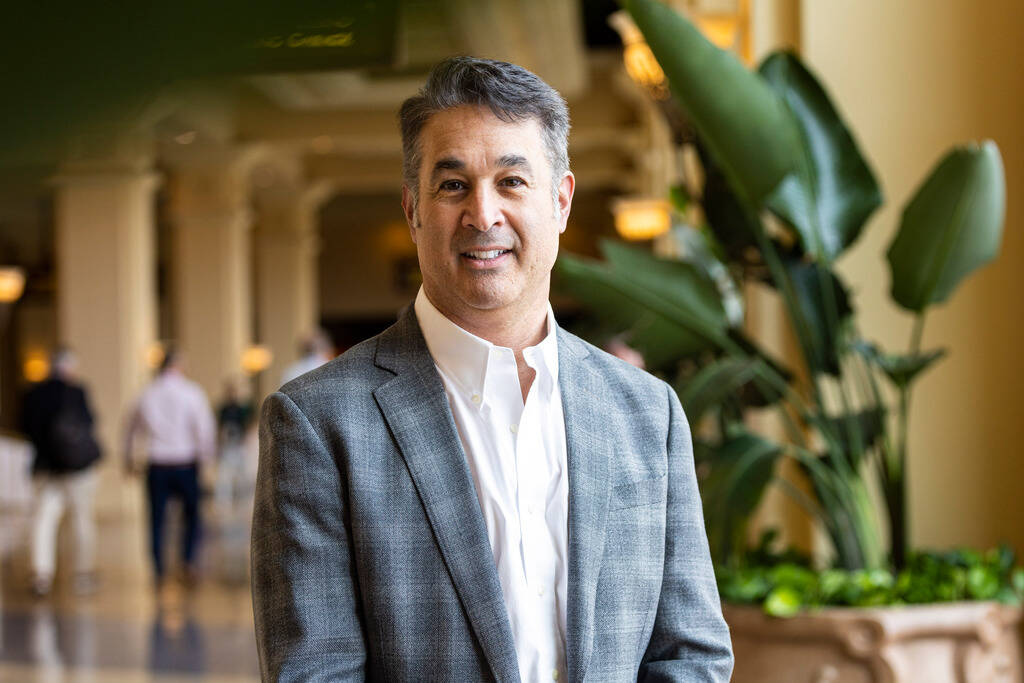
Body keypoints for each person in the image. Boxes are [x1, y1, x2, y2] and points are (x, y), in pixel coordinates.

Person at [251, 57, 733, 681]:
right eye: (453, 185)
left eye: (512, 181)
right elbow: (313, 673)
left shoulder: (647, 412)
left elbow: (690, 654)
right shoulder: (319, 423)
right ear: (413, 209)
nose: (483, 215)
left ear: (560, 202)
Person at [124, 348, 216, 585]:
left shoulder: (146, 393)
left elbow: (130, 429)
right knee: (192, 515)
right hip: (186, 462)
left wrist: (128, 459)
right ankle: (187, 560)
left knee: (156, 517)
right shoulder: (192, 392)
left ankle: (159, 568)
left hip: (157, 463)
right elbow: (204, 429)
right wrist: (207, 460)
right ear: (178, 365)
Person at [21, 347, 102, 597]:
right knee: (81, 518)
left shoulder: (33, 394)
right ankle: (82, 572)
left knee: (43, 520)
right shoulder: (76, 392)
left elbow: (24, 426)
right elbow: (90, 423)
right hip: (77, 467)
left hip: (46, 467)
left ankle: (42, 573)